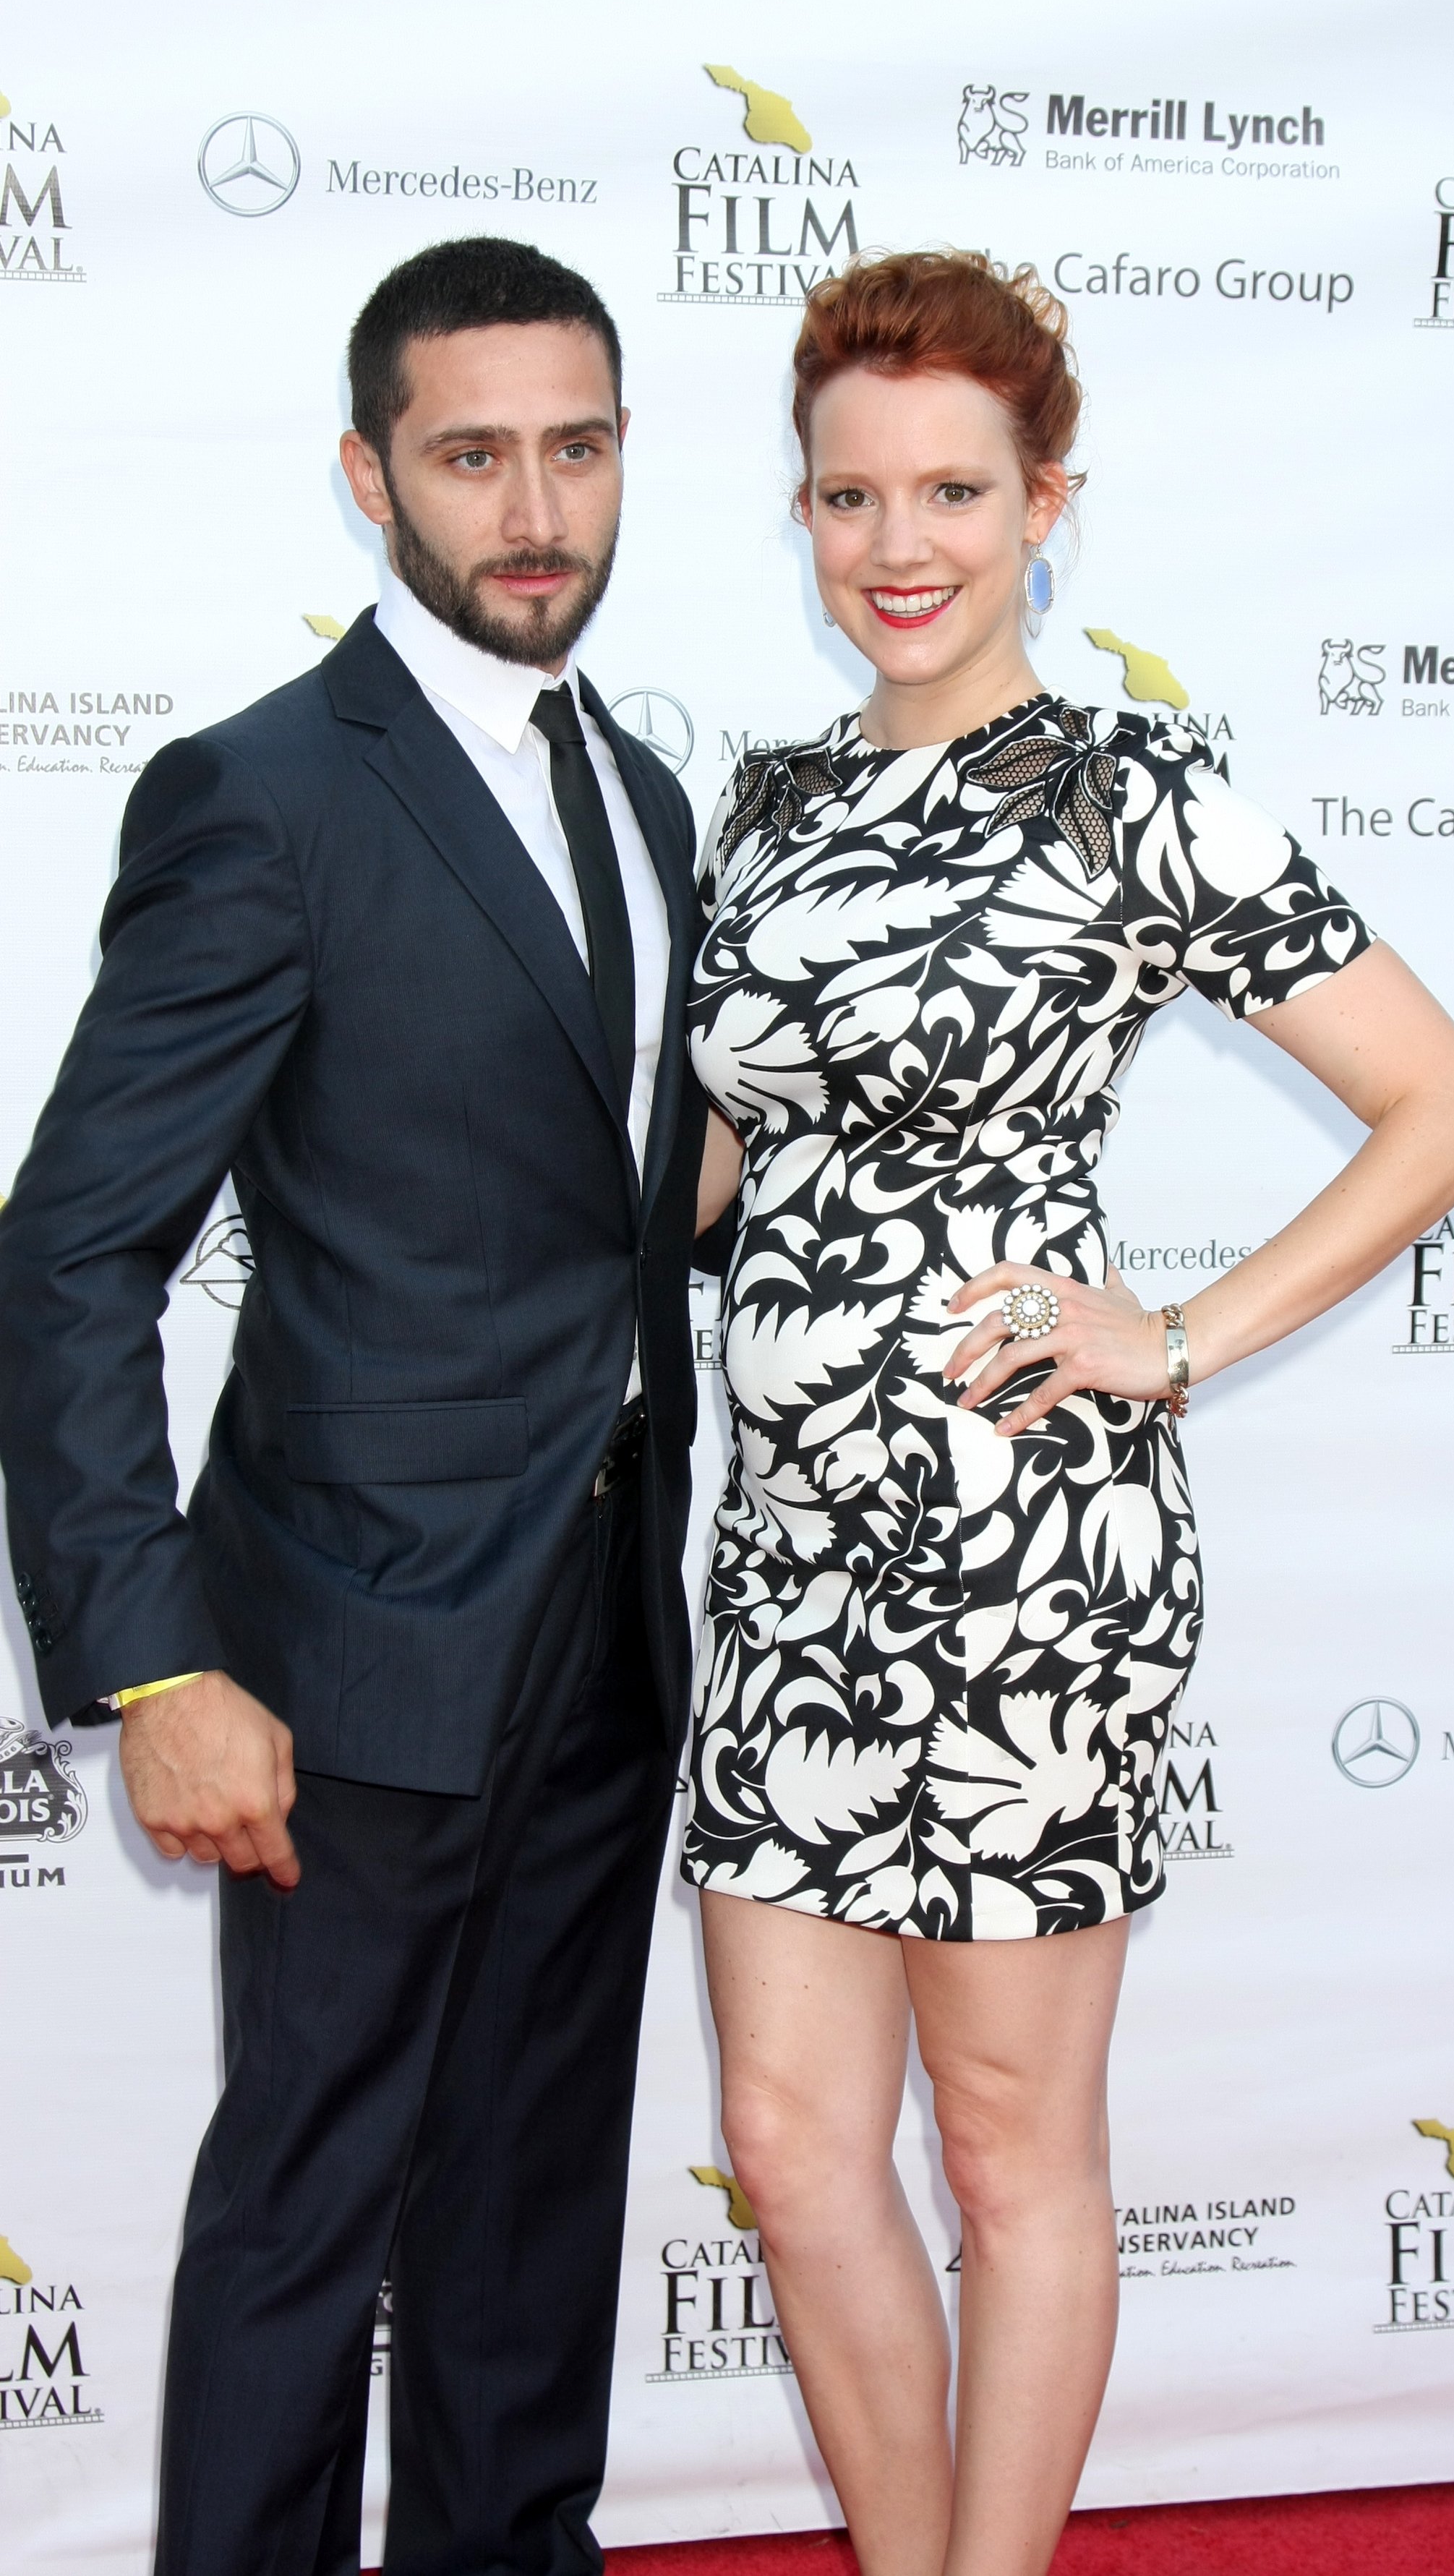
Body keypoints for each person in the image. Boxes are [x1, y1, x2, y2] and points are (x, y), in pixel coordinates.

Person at [685, 250, 1454, 2576]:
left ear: (1049, 501)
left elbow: (1443, 1111)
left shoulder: (1125, 786)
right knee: (784, 2128)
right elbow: (726, 1169)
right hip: (785, 1561)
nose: (898, 544)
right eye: (848, 496)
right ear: (805, 515)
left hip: (1027, 1557)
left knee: (1010, 2141)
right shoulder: (758, 803)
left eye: (953, 488)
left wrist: (1181, 1331)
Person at [0, 236, 712, 2576]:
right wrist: (153, 1655)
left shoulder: (644, 794)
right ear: (366, 474)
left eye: (578, 448)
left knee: (531, 2209)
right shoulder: (264, 796)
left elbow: (598, 1201)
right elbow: (75, 1248)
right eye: (474, 452)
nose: (536, 507)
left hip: (600, 1631)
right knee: (311, 2220)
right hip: (341, 1649)